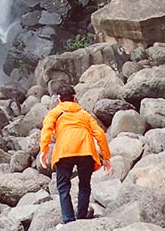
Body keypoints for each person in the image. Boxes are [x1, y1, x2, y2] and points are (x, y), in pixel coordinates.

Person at [39, 84, 112, 226]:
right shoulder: (84, 114)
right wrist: (106, 157)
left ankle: (69, 222)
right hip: (86, 151)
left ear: (59, 99)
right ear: (75, 99)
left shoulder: (55, 112)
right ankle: (81, 220)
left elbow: (46, 128)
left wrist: (44, 149)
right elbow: (100, 134)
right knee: (84, 186)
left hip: (64, 151)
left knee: (63, 186)